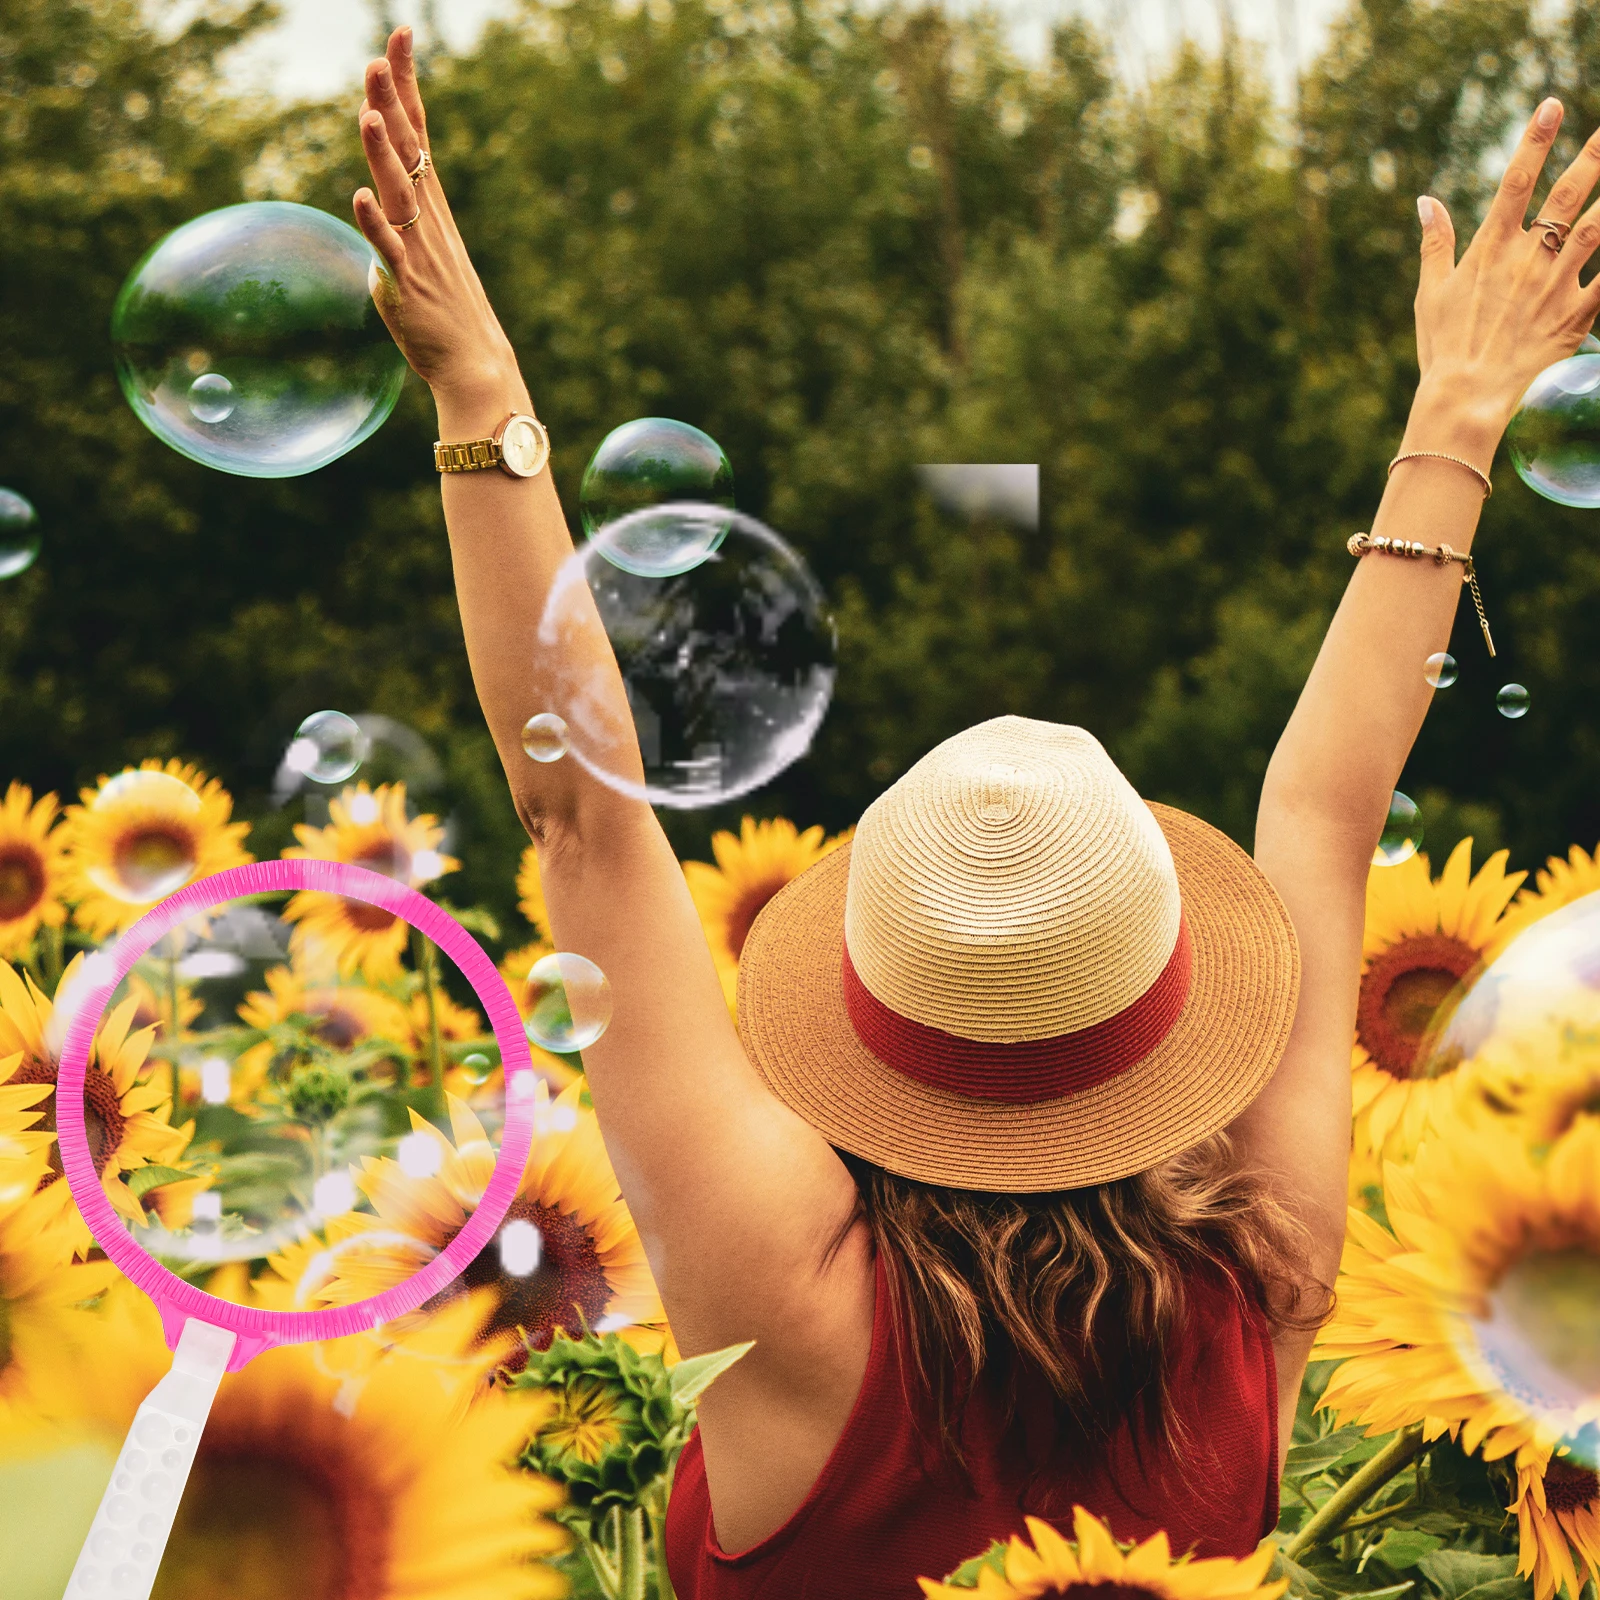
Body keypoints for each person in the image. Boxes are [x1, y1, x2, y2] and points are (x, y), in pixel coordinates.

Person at [350, 34, 1600, 1590]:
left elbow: (582, 815)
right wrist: (1464, 413)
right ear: (1163, 999)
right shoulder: (1257, 1285)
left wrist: (482, 393)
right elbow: (1329, 813)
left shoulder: (784, 1294)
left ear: (877, 1001)